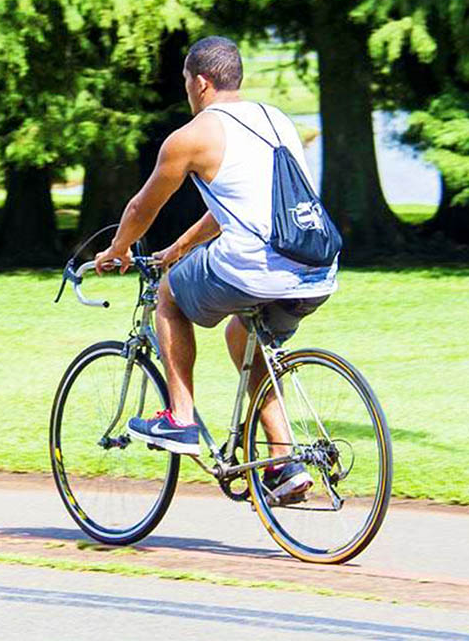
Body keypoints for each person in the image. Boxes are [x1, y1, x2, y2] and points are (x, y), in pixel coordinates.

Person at [93, 36, 338, 504]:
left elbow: (143, 205)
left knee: (168, 294)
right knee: (241, 337)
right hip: (316, 268)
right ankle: (284, 462)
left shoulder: (193, 136)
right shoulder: (277, 120)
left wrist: (117, 251)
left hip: (257, 268)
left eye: (186, 81)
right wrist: (179, 247)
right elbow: (241, 208)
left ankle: (180, 417)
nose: (186, 90)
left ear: (201, 82)